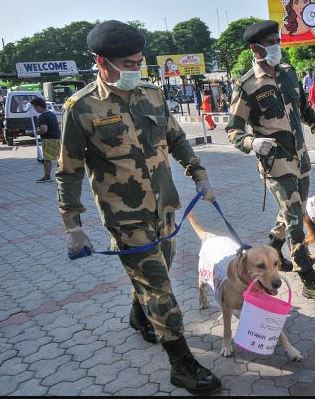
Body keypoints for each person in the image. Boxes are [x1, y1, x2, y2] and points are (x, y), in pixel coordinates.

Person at [55, 20, 221, 395]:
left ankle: (139, 317)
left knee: (154, 275)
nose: (136, 69)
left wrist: (200, 174)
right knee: (160, 287)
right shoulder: (80, 109)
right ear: (102, 62)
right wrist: (72, 225)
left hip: (165, 208)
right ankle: (181, 364)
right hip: (125, 217)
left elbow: (177, 138)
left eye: (139, 62)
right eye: (128, 63)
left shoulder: (152, 95)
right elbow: (68, 171)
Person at [226, 20, 315, 305]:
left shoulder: (289, 73)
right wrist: (252, 143)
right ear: (255, 49)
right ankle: (308, 280)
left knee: (294, 209)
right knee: (295, 220)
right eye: (270, 43)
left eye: (278, 41)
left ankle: (273, 249)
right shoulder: (247, 85)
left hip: (300, 158)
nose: (277, 47)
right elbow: (233, 130)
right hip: (275, 164)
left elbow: (303, 107)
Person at [31, 97, 60, 182]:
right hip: (57, 137)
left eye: (35, 107)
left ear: (39, 106)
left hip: (48, 139)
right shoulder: (52, 114)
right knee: (59, 157)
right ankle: (63, 174)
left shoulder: (42, 116)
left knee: (47, 159)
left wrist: (36, 132)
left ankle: (47, 176)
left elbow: (44, 129)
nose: (35, 109)